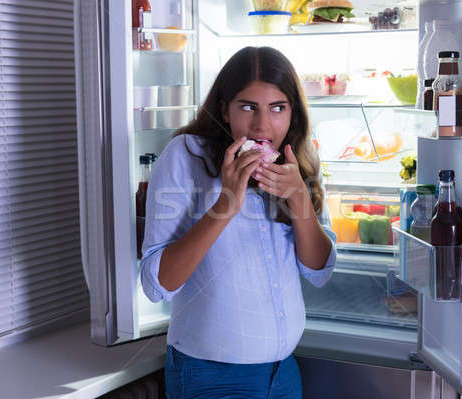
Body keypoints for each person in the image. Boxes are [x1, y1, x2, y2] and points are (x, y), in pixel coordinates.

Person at [140, 46, 337, 398]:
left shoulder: (299, 162)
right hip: (211, 377)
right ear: (224, 111)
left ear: (293, 113)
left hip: (284, 375)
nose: (263, 125)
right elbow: (157, 284)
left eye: (278, 108)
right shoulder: (185, 155)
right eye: (248, 107)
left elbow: (319, 270)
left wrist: (300, 199)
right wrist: (226, 204)